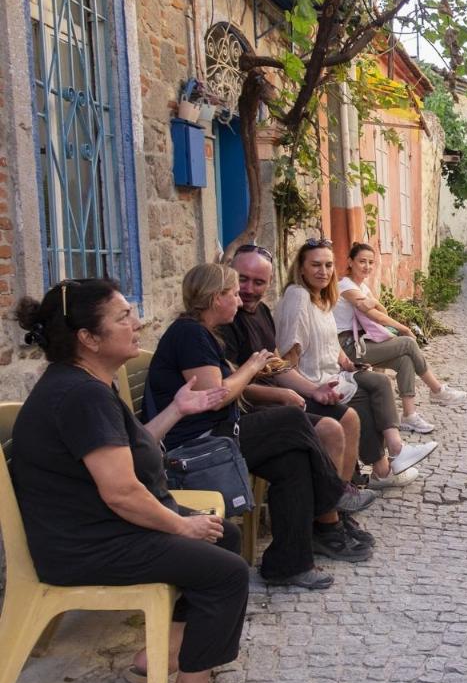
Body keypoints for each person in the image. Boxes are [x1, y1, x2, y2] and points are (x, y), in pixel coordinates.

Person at [12, 279, 249, 683]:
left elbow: (130, 450)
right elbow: (121, 492)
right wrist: (181, 526)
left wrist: (177, 409)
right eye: (123, 317)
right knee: (227, 572)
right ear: (88, 338)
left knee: (223, 535)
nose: (137, 324)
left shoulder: (84, 383)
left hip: (99, 528)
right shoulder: (81, 395)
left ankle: (167, 654)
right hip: (88, 546)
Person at [145, 264, 352, 588]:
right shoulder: (189, 334)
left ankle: (288, 565)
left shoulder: (202, 333)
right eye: (233, 293)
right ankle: (333, 495)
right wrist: (252, 367)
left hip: (219, 434)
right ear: (216, 298)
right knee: (292, 420)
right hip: (198, 445)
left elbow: (226, 388)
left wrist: (270, 380)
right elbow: (216, 397)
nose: (240, 301)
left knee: (293, 460)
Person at [221, 245, 377, 554]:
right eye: (242, 280)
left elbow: (277, 367)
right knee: (330, 429)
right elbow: (227, 386)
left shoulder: (261, 312)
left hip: (276, 399)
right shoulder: (225, 319)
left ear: (269, 284)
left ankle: (337, 511)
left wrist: (312, 390)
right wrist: (283, 394)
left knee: (348, 417)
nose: (249, 289)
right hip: (253, 408)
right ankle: (326, 524)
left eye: (258, 282)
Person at [274, 238, 436, 489]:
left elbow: (331, 340)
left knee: (379, 381)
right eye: (316, 265)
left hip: (333, 374)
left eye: (328, 265)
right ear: (301, 268)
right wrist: (304, 390)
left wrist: (348, 363)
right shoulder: (298, 296)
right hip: (312, 383)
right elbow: (289, 352)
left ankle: (394, 453)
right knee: (365, 399)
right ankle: (384, 469)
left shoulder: (321, 297)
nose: (323, 271)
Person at [334, 242, 467, 434]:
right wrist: (404, 329)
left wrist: (374, 303)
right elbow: (373, 314)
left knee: (405, 360)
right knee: (408, 343)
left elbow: (382, 311)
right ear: (350, 262)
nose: (367, 266)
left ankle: (409, 416)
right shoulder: (345, 285)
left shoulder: (362, 287)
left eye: (371, 262)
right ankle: (437, 390)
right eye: (362, 261)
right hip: (346, 348)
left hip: (360, 344)